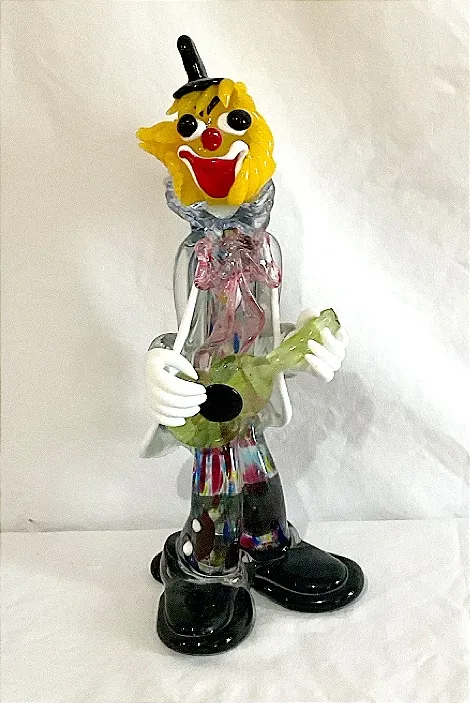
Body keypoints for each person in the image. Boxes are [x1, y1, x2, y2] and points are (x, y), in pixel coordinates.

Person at [137, 36, 364, 655]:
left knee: (256, 464)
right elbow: (182, 329)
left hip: (252, 392)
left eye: (230, 123)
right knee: (217, 471)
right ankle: (202, 560)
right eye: (194, 130)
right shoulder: (196, 257)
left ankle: (266, 544)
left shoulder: (267, 251)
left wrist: (311, 337)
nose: (213, 138)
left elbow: (269, 326)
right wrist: (161, 362)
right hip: (210, 397)